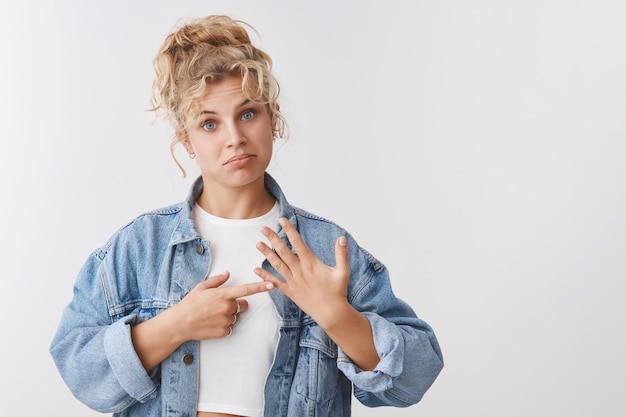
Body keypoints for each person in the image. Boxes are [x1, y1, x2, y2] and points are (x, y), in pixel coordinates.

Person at [50, 15, 443, 417]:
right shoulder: (139, 246)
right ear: (186, 140)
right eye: (209, 123)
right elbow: (79, 370)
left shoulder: (326, 248)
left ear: (272, 116)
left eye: (248, 113)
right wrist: (176, 325)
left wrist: (335, 315)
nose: (234, 137)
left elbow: (417, 375)